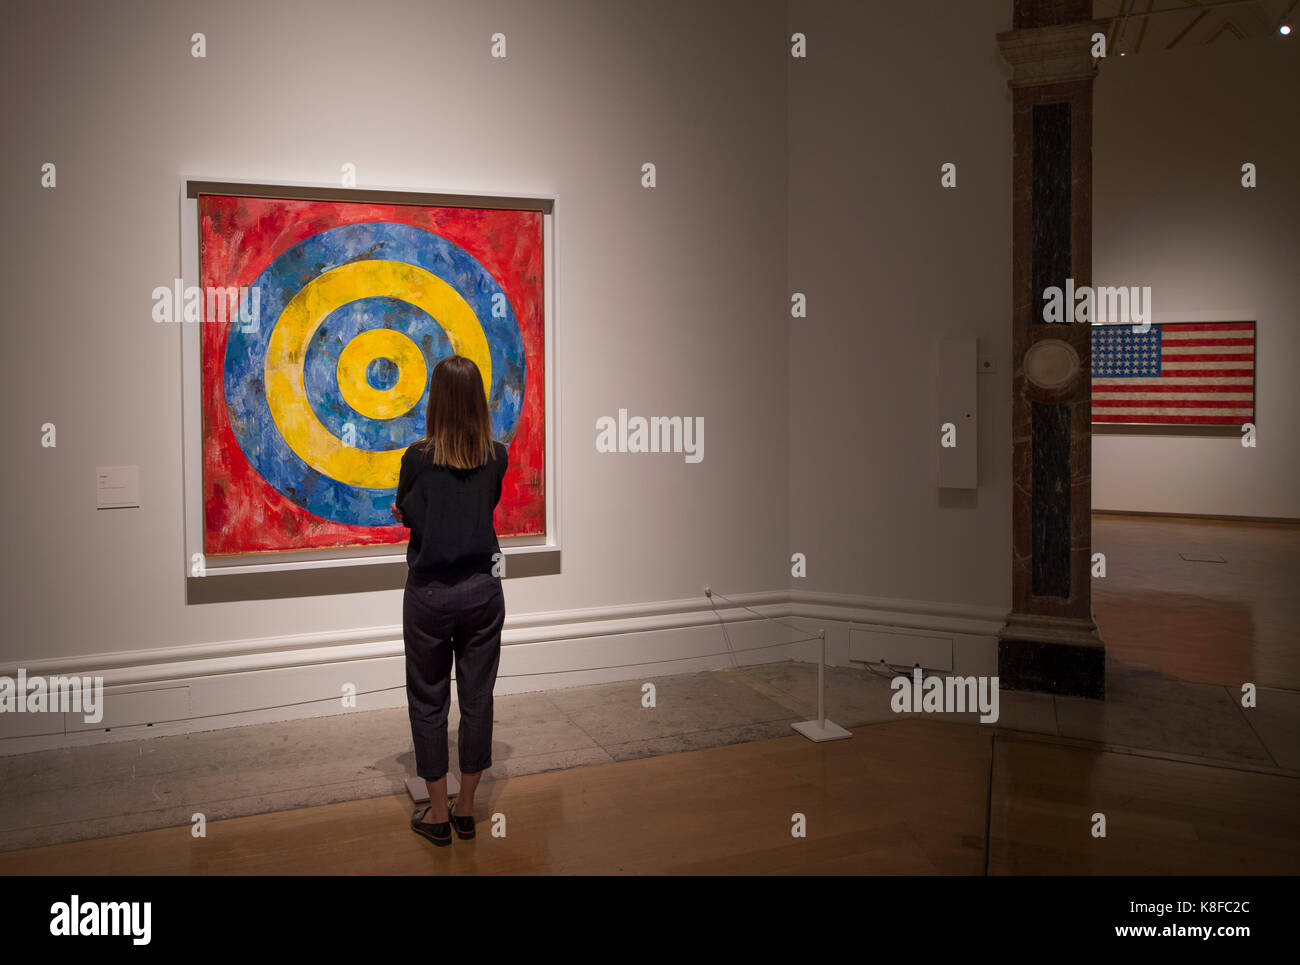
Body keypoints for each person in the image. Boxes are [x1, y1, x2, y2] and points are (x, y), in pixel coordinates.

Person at [391, 354, 508, 847]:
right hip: (484, 589)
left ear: (436, 401)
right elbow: (484, 507)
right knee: (477, 698)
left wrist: (412, 513)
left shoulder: (417, 459)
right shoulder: (496, 455)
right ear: (478, 401)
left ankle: (437, 814)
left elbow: (409, 513)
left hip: (430, 595)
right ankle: (466, 811)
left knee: (428, 699)